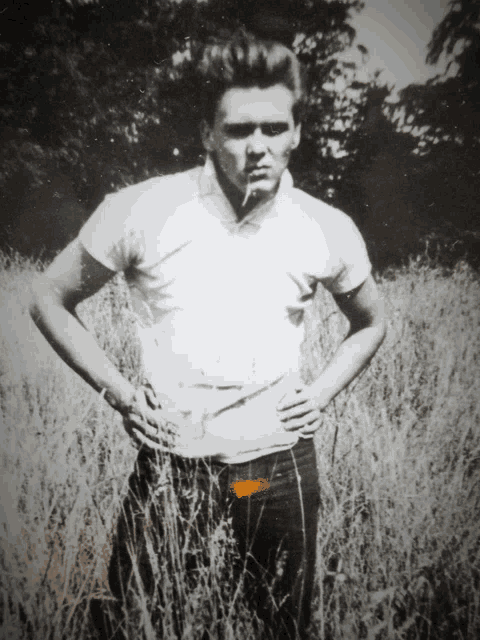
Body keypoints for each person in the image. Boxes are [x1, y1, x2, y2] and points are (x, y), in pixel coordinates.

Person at [30, 30, 386, 639]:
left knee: (282, 626)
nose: (259, 148)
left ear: (297, 131)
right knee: (131, 626)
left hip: (270, 476)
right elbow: (48, 298)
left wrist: (321, 393)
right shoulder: (141, 210)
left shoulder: (325, 228)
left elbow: (372, 323)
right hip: (174, 471)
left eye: (274, 129)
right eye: (238, 130)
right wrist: (119, 393)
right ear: (205, 134)